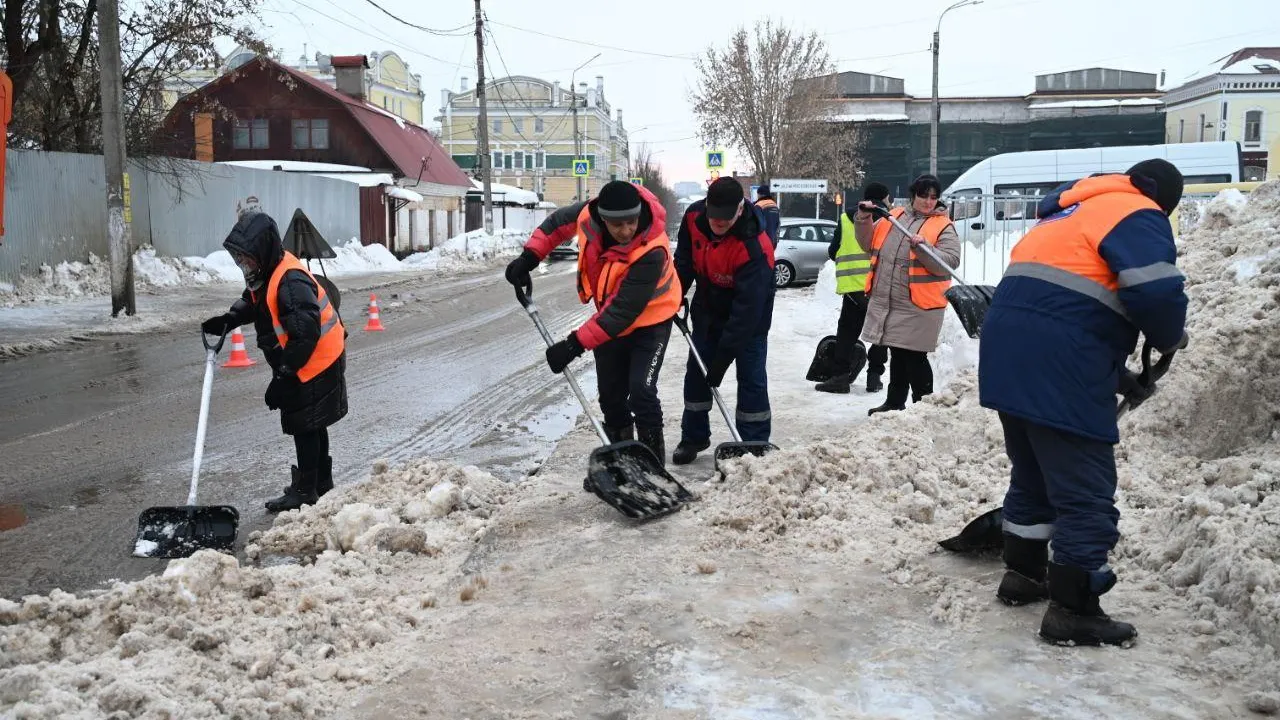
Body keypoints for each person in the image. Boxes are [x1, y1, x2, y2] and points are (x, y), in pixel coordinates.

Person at [978, 159, 1189, 647]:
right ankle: (1074, 608)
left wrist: (1119, 377)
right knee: (1085, 491)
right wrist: (1171, 337)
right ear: (1164, 199)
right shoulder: (1138, 212)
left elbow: (1064, 303)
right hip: (1060, 358)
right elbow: (1156, 293)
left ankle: (1024, 576)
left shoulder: (1067, 215)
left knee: (1032, 474)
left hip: (1008, 352)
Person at [504, 180, 680, 465]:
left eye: (632, 222)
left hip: (651, 321)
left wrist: (573, 346)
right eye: (617, 225)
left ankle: (652, 467)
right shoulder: (589, 214)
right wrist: (530, 256)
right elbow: (557, 223)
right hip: (611, 317)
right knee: (611, 396)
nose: (626, 231)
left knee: (641, 391)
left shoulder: (652, 249)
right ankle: (623, 464)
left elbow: (622, 312)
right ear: (603, 218)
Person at [201, 211, 348, 512]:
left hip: (314, 360)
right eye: (240, 259)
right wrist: (231, 318)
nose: (245, 265)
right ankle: (320, 482)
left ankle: (306, 490)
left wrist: (284, 376)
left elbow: (304, 335)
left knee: (304, 424)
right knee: (312, 422)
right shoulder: (269, 271)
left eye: (248, 259)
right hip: (311, 358)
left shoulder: (290, 282)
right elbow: (254, 298)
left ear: (263, 252)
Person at [671, 177, 776, 465]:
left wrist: (722, 359)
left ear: (740, 209)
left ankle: (754, 443)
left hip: (749, 316)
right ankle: (693, 436)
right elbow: (683, 260)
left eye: (725, 219)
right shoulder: (693, 217)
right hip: (708, 308)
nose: (718, 223)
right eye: (714, 216)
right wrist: (674, 295)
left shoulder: (755, 245)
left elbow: (746, 312)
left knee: (752, 379)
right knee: (696, 375)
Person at [852, 174, 961, 415]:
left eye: (933, 197)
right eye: (923, 195)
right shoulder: (896, 217)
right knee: (898, 353)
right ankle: (895, 401)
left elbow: (949, 262)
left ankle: (923, 406)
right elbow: (868, 243)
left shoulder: (943, 226)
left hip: (920, 305)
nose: (928, 201)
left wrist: (924, 248)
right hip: (892, 300)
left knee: (914, 357)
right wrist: (863, 218)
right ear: (913, 196)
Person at [816, 182, 892, 394]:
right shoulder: (889, 220)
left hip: (853, 289)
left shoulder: (845, 218)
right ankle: (874, 377)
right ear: (885, 198)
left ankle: (840, 376)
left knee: (847, 333)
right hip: (878, 287)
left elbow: (833, 251)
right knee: (879, 334)